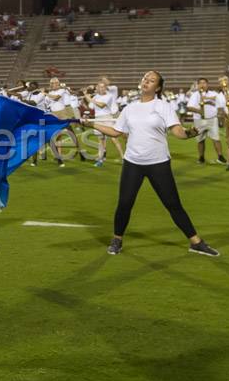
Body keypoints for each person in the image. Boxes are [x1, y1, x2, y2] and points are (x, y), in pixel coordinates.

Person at [93, 71, 219, 257]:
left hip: (158, 163)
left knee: (172, 204)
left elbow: (177, 131)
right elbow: (115, 131)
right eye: (145, 79)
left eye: (151, 80)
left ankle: (196, 242)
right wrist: (91, 123)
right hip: (132, 163)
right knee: (124, 203)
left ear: (158, 87)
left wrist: (188, 133)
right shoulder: (129, 108)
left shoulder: (163, 106)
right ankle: (117, 239)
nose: (146, 82)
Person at [187, 78, 225, 165]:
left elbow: (221, 102)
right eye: (200, 83)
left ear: (208, 84)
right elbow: (189, 107)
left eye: (204, 83)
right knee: (200, 140)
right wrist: (199, 111)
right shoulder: (195, 95)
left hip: (212, 119)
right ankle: (201, 157)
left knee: (216, 139)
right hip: (199, 120)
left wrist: (207, 99)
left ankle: (220, 156)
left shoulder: (213, 94)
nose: (202, 85)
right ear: (198, 85)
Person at [87, 81, 125, 166]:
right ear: (97, 88)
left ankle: (123, 158)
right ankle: (100, 160)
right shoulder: (96, 96)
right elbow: (90, 107)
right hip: (97, 118)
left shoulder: (109, 96)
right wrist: (87, 97)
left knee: (114, 139)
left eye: (103, 87)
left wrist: (90, 99)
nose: (101, 89)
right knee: (101, 140)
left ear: (105, 88)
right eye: (99, 87)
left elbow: (102, 105)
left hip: (107, 117)